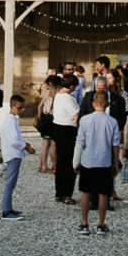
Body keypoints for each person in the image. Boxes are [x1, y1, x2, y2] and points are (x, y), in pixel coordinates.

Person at [73, 90, 120, 235]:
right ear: (107, 104)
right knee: (103, 193)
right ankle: (101, 223)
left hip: (88, 160)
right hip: (104, 161)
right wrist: (116, 162)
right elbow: (115, 144)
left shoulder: (85, 120)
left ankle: (84, 222)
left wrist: (75, 161)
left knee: (86, 192)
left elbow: (80, 142)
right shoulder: (112, 122)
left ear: (93, 104)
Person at [0, 94, 36, 219]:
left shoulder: (13, 119)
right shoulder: (10, 121)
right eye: (19, 108)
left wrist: (24, 143)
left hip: (15, 154)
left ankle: (9, 208)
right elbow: (14, 140)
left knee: (12, 182)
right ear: (12, 106)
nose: (20, 111)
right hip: (13, 154)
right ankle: (6, 211)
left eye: (22, 108)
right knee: (10, 183)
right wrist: (26, 146)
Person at [51, 74, 79, 203]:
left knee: (61, 162)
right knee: (69, 163)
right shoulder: (68, 98)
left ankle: (59, 192)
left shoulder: (58, 96)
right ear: (71, 86)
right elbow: (76, 115)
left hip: (58, 128)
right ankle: (67, 193)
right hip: (68, 130)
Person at [36, 75, 58, 173]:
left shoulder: (47, 91)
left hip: (45, 118)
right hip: (51, 118)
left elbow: (40, 106)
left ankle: (42, 165)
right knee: (52, 143)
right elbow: (40, 106)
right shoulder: (56, 93)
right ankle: (52, 166)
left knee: (45, 143)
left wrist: (40, 118)